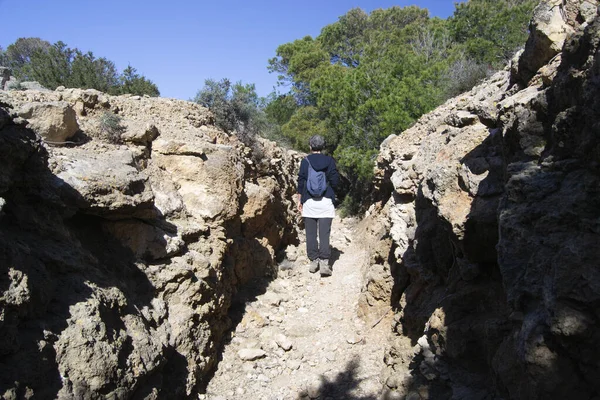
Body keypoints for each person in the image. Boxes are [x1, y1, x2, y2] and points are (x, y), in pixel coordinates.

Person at [296, 135, 340, 277]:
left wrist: (299, 200)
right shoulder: (329, 161)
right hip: (326, 201)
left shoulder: (305, 161)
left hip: (309, 202)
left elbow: (301, 181)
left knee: (310, 233)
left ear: (310, 146)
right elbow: (335, 180)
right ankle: (324, 263)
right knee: (324, 234)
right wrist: (334, 192)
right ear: (323, 147)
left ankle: (313, 261)